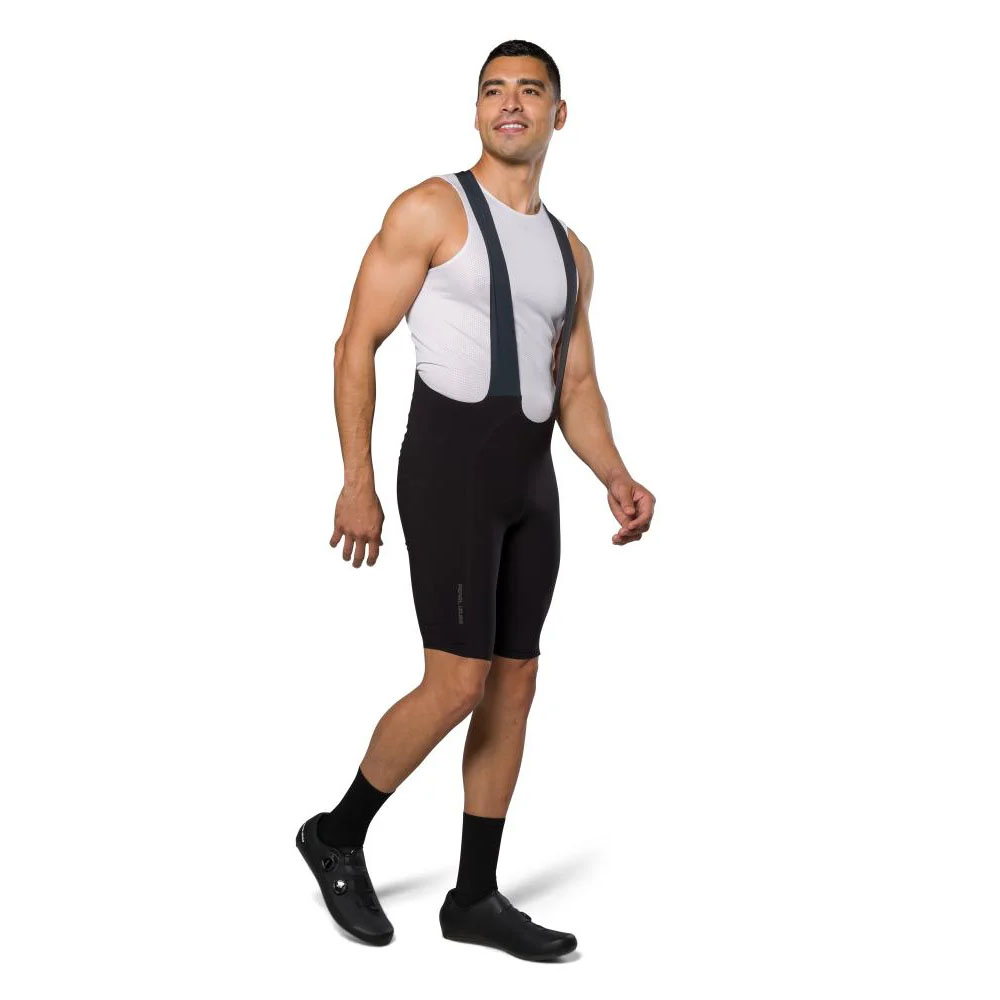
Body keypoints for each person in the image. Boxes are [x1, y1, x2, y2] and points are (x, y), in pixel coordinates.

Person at [296, 39, 655, 962]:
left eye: (530, 91)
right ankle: (335, 834)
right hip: (449, 468)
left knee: (516, 680)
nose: (511, 103)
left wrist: (615, 475)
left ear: (558, 115)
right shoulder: (431, 209)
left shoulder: (572, 252)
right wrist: (356, 480)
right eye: (494, 90)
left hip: (531, 482)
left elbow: (575, 384)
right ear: (476, 111)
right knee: (457, 680)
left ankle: (474, 896)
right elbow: (354, 343)